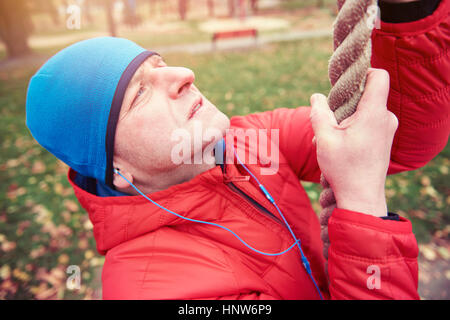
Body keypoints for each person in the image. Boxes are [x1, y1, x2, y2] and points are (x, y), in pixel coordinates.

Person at [26, 0, 449, 299]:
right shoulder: (150, 287)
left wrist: (409, 9)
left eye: (160, 64)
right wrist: (361, 202)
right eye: (138, 94)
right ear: (117, 171)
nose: (184, 74)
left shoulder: (251, 141)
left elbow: (402, 134)